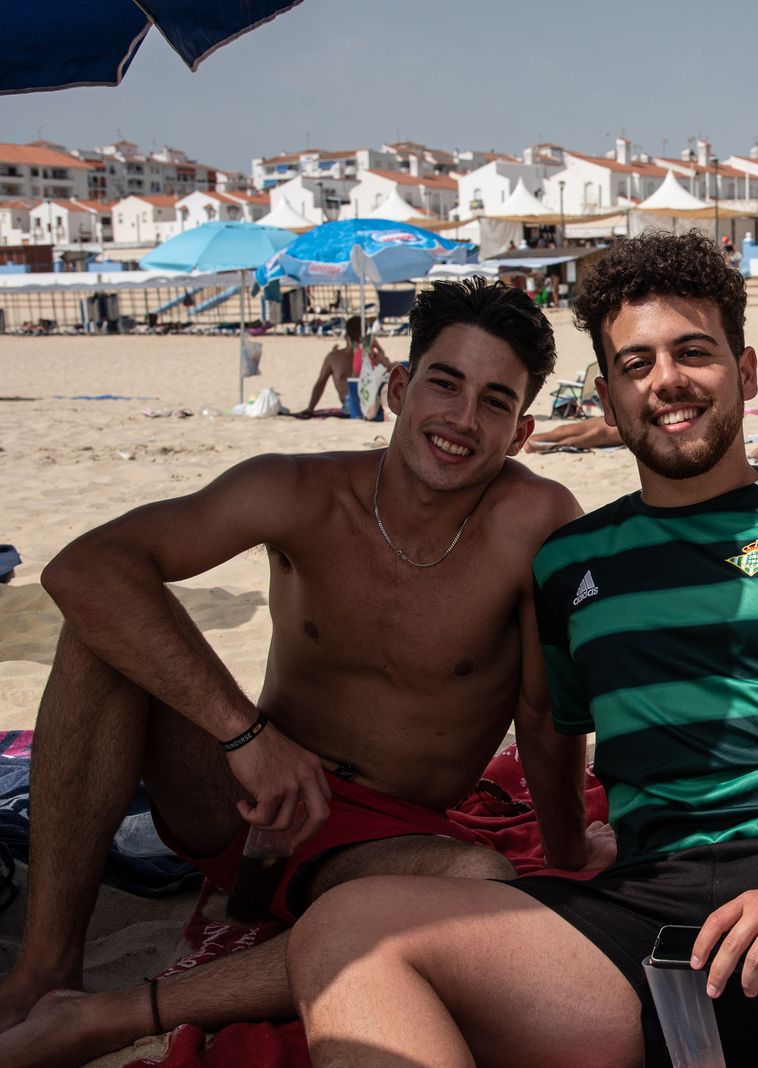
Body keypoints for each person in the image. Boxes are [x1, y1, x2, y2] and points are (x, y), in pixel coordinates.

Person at [285, 231, 758, 1067]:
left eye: (694, 352)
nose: (667, 381)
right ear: (611, 398)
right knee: (347, 927)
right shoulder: (570, 562)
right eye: (636, 364)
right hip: (643, 912)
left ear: (748, 371)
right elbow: (550, 725)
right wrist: (567, 850)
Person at [0, 279, 605, 1066]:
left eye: (494, 402)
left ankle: (110, 1015)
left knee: (482, 880)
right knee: (105, 627)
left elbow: (542, 713)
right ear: (396, 387)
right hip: (245, 792)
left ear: (522, 432)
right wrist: (242, 734)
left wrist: (564, 850)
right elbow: (84, 568)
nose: (461, 420)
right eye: (443, 383)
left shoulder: (536, 522)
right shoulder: (298, 489)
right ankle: (45, 968)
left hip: (380, 841)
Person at [298, 315, 393, 416]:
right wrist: (310, 408)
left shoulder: (371, 355)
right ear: (346, 337)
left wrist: (381, 355)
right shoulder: (334, 358)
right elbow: (320, 383)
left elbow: (388, 374)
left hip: (372, 400)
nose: (357, 343)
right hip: (350, 404)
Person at [521, 414, 623, 452]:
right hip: (618, 416)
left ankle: (549, 447)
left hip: (626, 425)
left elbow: (599, 433)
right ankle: (525, 440)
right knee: (564, 430)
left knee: (597, 434)